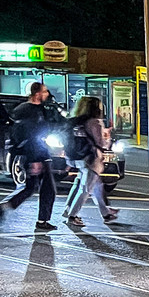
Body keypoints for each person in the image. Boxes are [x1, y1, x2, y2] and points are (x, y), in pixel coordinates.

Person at [0, 81, 57, 231]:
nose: (47, 94)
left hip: (38, 152)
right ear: (37, 94)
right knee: (46, 189)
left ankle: (6, 206)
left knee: (32, 188)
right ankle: (41, 220)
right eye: (45, 91)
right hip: (34, 154)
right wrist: (34, 160)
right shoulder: (28, 112)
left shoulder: (36, 109)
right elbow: (29, 136)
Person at [62, 96, 119, 229]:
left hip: (79, 158)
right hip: (91, 159)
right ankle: (72, 215)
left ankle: (106, 213)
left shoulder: (77, 121)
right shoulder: (95, 122)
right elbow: (101, 143)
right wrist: (107, 136)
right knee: (86, 188)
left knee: (96, 186)